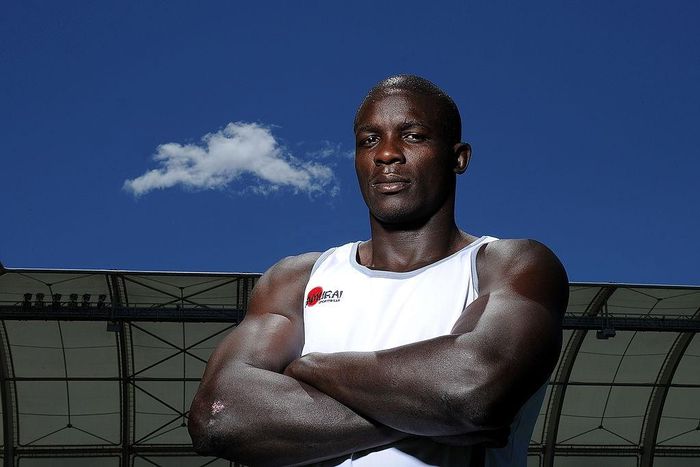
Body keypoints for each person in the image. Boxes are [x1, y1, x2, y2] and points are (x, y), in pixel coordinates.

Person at [188, 75, 569, 466]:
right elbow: (216, 417)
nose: (387, 154)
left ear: (459, 158)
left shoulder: (509, 265)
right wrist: (427, 414)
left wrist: (309, 367)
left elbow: (470, 391)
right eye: (369, 140)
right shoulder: (297, 280)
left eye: (413, 136)